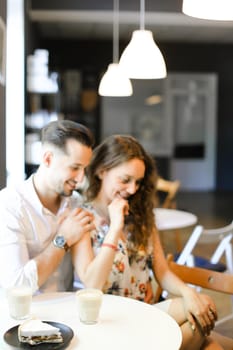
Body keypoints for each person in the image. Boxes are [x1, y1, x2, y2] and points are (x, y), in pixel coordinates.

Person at [72, 134, 233, 350]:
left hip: (146, 312)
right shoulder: (82, 218)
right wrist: (115, 227)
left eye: (138, 182)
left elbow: (162, 272)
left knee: (203, 307)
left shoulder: (141, 216)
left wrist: (189, 293)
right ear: (102, 171)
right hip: (107, 321)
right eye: (125, 179)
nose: (132, 190)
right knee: (209, 342)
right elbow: (92, 285)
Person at [0, 120, 95, 294]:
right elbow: (17, 286)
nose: (81, 179)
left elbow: (88, 276)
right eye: (75, 167)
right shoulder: (9, 206)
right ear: (48, 159)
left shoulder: (75, 203)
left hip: (68, 312)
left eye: (84, 169)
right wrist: (63, 239)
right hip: (26, 317)